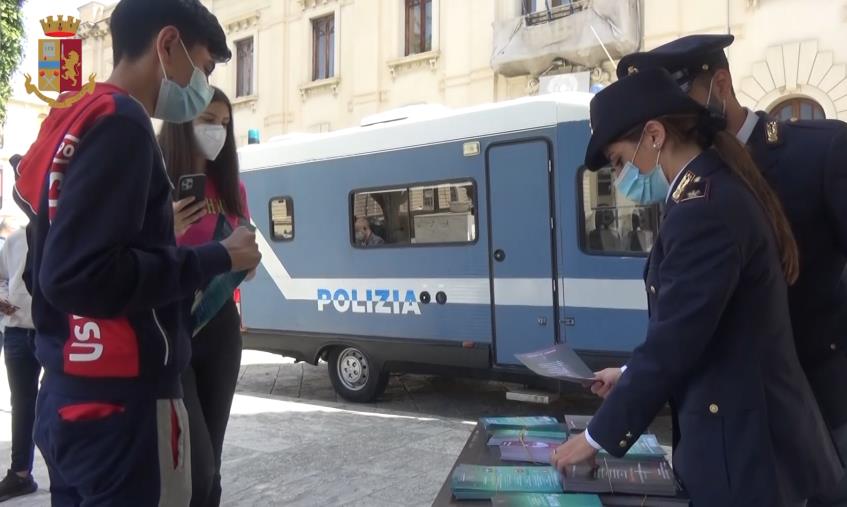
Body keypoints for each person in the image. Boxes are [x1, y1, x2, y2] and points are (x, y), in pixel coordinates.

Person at [550, 68, 841, 506]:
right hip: (752, 443)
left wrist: (595, 437)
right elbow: (709, 325)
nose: (621, 177)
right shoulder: (712, 189)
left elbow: (675, 340)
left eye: (618, 161)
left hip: (749, 456)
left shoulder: (702, 208)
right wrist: (628, 374)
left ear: (653, 135)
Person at [13, 0, 261, 504]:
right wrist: (221, 258)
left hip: (68, 390)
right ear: (167, 45)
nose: (200, 90)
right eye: (202, 70)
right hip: (125, 407)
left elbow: (46, 230)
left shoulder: (73, 114)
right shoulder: (125, 121)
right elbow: (80, 273)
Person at [159, 87, 250, 507]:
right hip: (170, 327)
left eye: (224, 124)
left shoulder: (232, 188)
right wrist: (164, 230)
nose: (217, 131)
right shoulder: (154, 181)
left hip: (222, 328)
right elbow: (127, 261)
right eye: (207, 120)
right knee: (193, 467)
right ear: (183, 122)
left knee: (211, 460)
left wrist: (248, 260)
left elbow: (245, 254)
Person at [0, 226, 39, 502]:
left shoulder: (65, 231)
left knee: (59, 403)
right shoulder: (14, 240)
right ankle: (21, 473)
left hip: (54, 331)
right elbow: (2, 277)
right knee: (22, 403)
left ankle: (65, 471)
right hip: (16, 330)